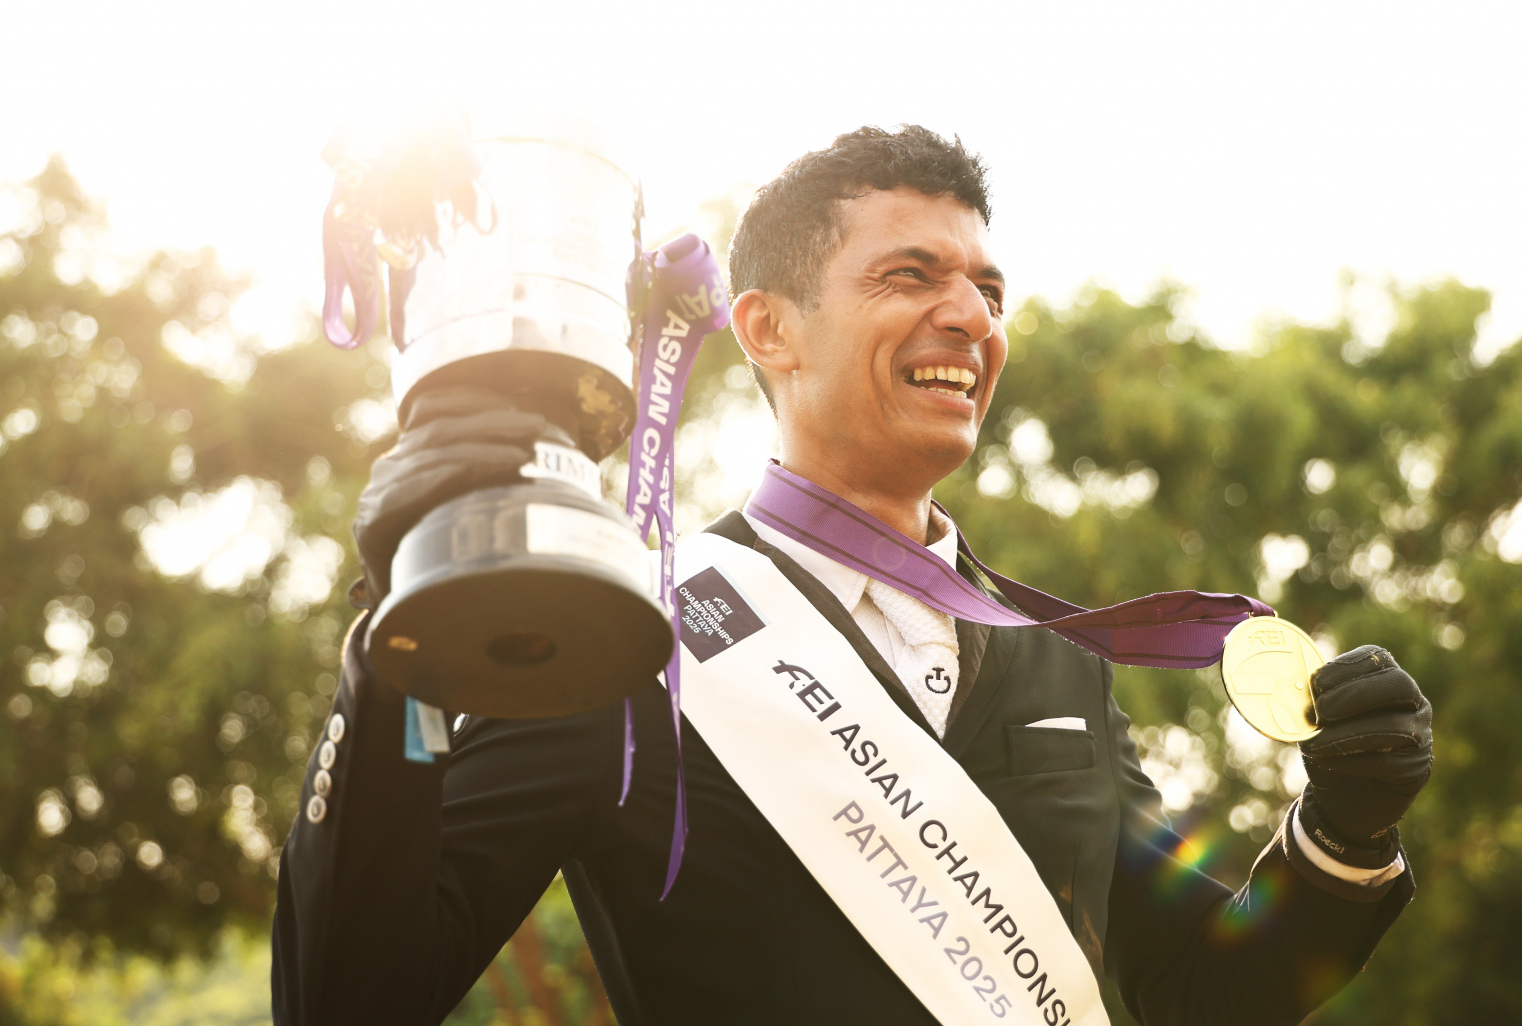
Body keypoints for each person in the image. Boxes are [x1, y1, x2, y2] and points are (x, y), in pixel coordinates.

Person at [272, 125, 1433, 1025]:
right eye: (909, 275)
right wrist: (407, 641)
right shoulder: (635, 636)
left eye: (989, 290)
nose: (969, 317)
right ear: (768, 328)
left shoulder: (1058, 665)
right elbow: (348, 998)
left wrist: (1342, 834)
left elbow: (1202, 993)